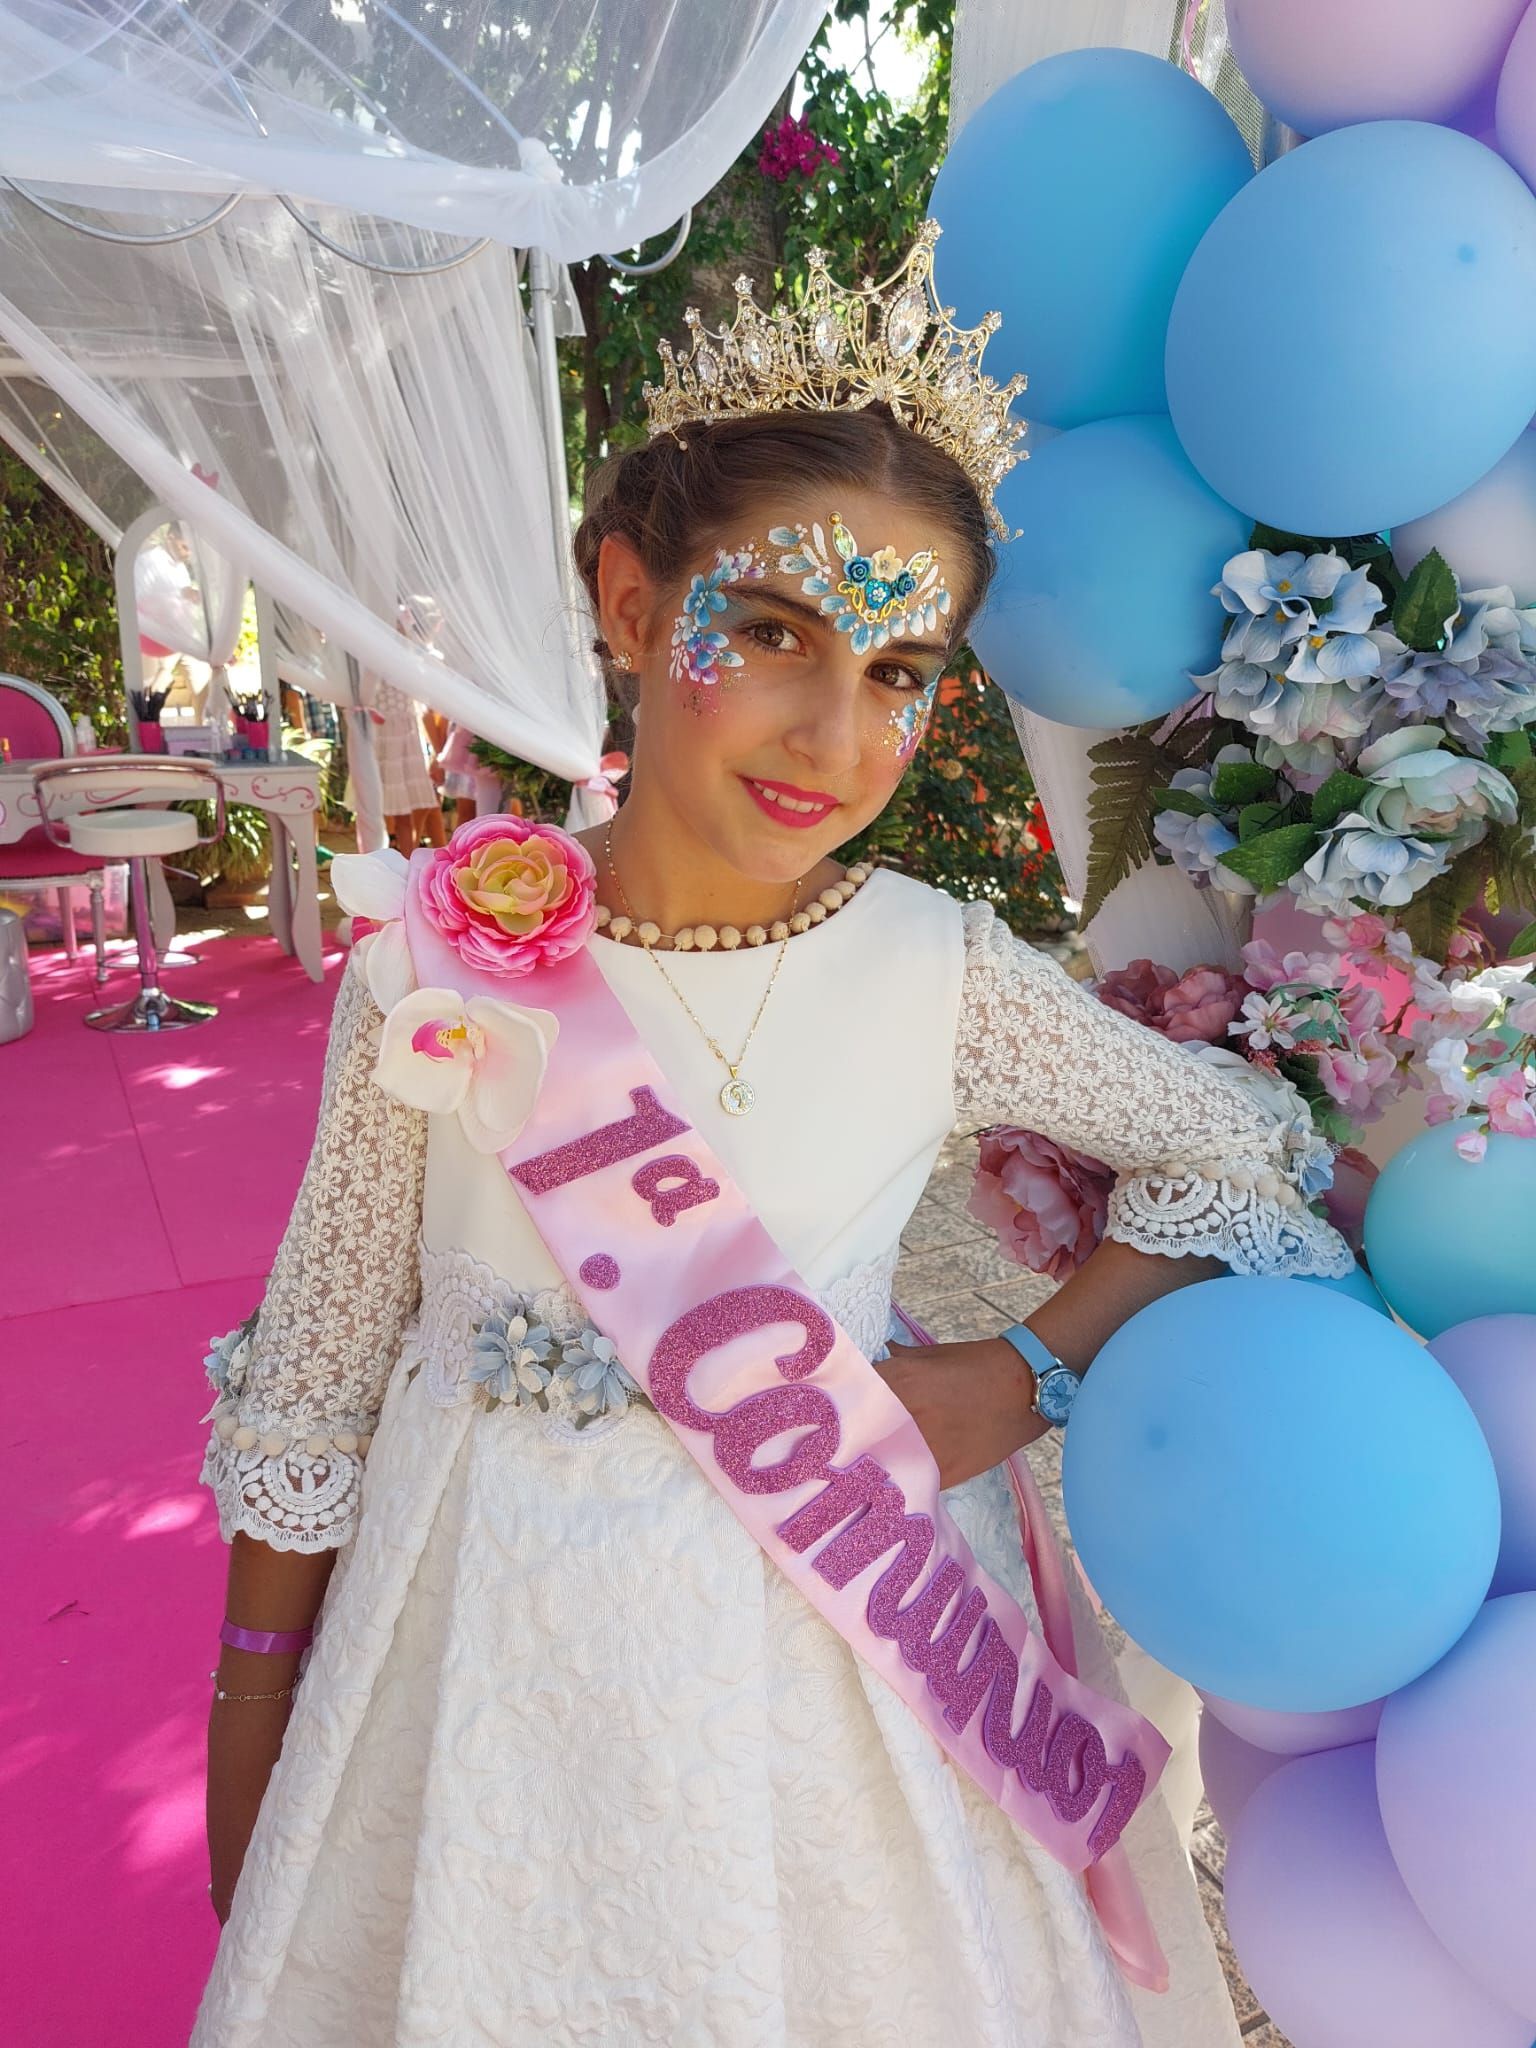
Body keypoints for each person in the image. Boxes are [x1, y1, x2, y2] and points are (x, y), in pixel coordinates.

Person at [192, 231, 1350, 2048]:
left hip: (837, 1680)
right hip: (473, 1676)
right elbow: (318, 1384)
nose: (835, 730)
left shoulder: (940, 969)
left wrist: (1026, 1373)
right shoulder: (431, 961)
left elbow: (1247, 1152)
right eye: (776, 633)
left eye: (900, 671)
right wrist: (255, 1721)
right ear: (631, 602)